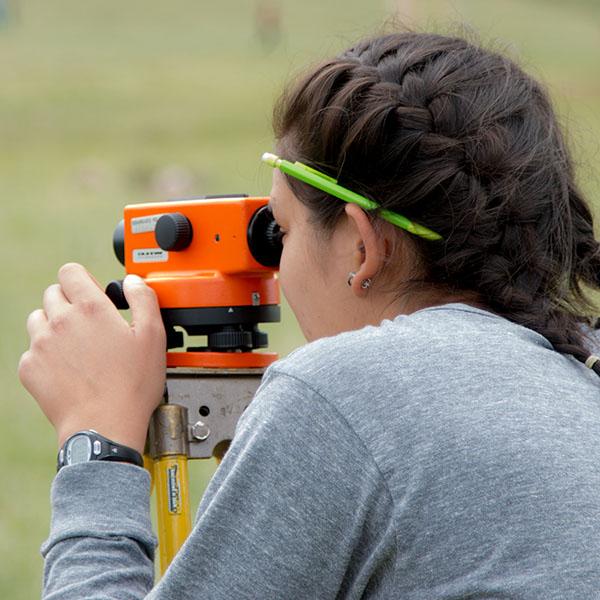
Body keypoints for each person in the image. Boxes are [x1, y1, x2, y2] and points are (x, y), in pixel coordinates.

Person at [19, 31, 600, 599]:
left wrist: (97, 440)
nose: (276, 265)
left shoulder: (346, 394)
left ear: (361, 247)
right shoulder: (582, 370)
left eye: (283, 230)